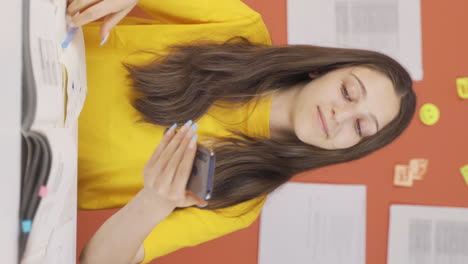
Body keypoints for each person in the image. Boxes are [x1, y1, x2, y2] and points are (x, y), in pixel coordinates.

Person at [68, 0, 416, 263]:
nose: (341, 116)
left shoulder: (240, 200)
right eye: (348, 91)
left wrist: (153, 203)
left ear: (352, 148)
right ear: (322, 70)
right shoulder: (239, 25)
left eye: (360, 126)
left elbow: (97, 260)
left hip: (23, 167)